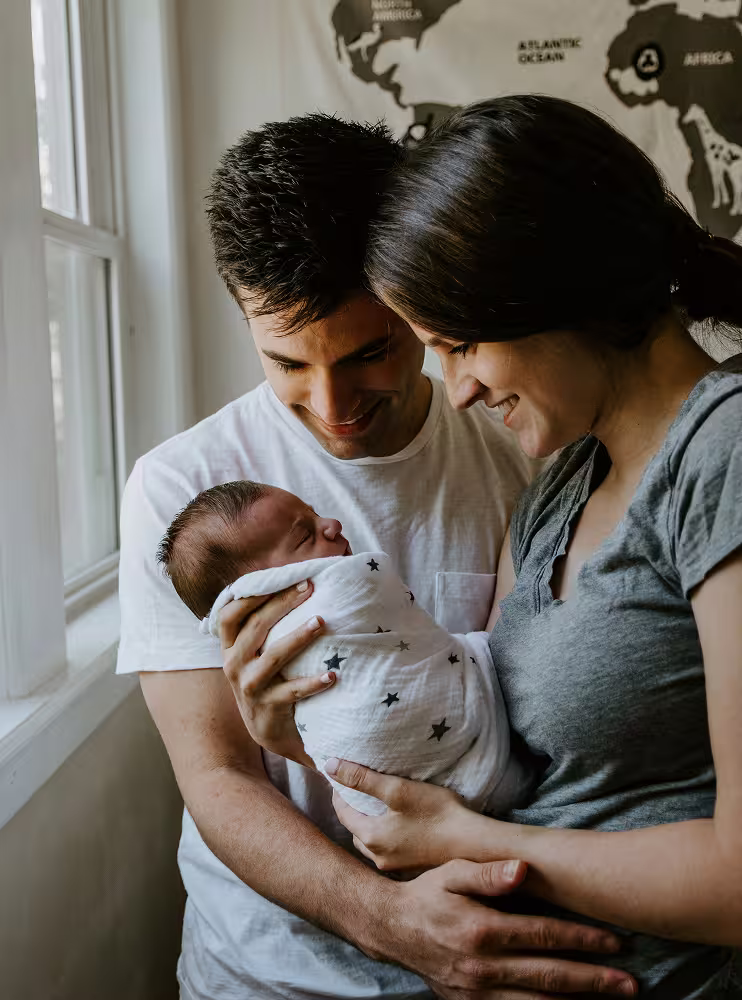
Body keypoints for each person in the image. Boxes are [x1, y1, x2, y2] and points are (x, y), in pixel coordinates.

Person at [116, 113, 637, 1000]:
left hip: (488, 955)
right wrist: (389, 923)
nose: (332, 406)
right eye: (287, 363)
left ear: (414, 293)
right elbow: (216, 775)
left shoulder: (523, 445)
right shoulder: (185, 494)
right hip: (264, 975)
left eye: (370, 351)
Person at [288, 95, 742, 997]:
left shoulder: (723, 453)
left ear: (551, 292)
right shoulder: (561, 486)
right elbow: (493, 748)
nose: (454, 392)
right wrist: (306, 728)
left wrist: (478, 847)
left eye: (459, 345)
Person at [157, 480, 530, 817]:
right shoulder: (168, 478)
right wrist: (278, 738)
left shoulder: (508, 474)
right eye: (304, 536)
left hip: (397, 811)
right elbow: (215, 777)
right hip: (348, 844)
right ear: (263, 587)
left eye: (314, 513)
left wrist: (287, 742)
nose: (332, 524)